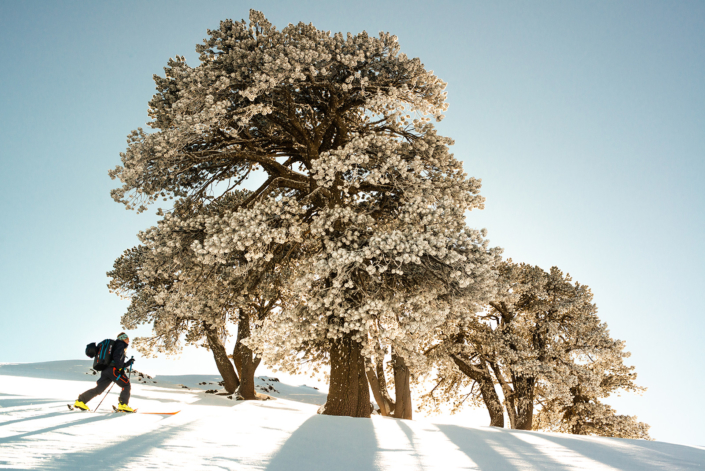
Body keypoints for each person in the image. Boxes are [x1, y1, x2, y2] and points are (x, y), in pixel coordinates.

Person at [74, 332, 135, 412]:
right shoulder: (120, 344)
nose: (128, 341)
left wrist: (128, 362)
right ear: (123, 339)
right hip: (113, 370)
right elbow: (116, 357)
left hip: (105, 370)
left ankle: (80, 401)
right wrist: (120, 369)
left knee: (99, 389)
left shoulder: (114, 345)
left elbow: (115, 359)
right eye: (127, 339)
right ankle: (123, 404)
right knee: (126, 385)